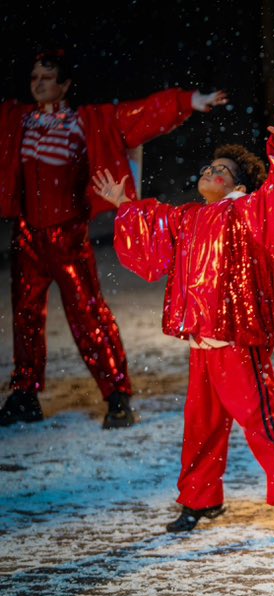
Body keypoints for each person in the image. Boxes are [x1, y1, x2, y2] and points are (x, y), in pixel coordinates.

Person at [92, 111, 274, 541]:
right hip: (201, 344)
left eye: (222, 169)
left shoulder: (250, 212)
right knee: (200, 429)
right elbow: (153, 234)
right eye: (208, 166)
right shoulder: (188, 218)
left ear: (239, 185)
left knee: (261, 425)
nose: (210, 171)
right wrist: (124, 205)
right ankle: (199, 499)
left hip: (238, 342)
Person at [0, 49, 227, 428]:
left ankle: (117, 394)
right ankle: (24, 393)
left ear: (65, 85)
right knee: (24, 315)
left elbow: (137, 115)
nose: (38, 84)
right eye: (35, 77)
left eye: (47, 77)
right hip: (27, 234)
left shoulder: (85, 122)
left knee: (88, 314)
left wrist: (187, 101)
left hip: (67, 233)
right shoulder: (17, 119)